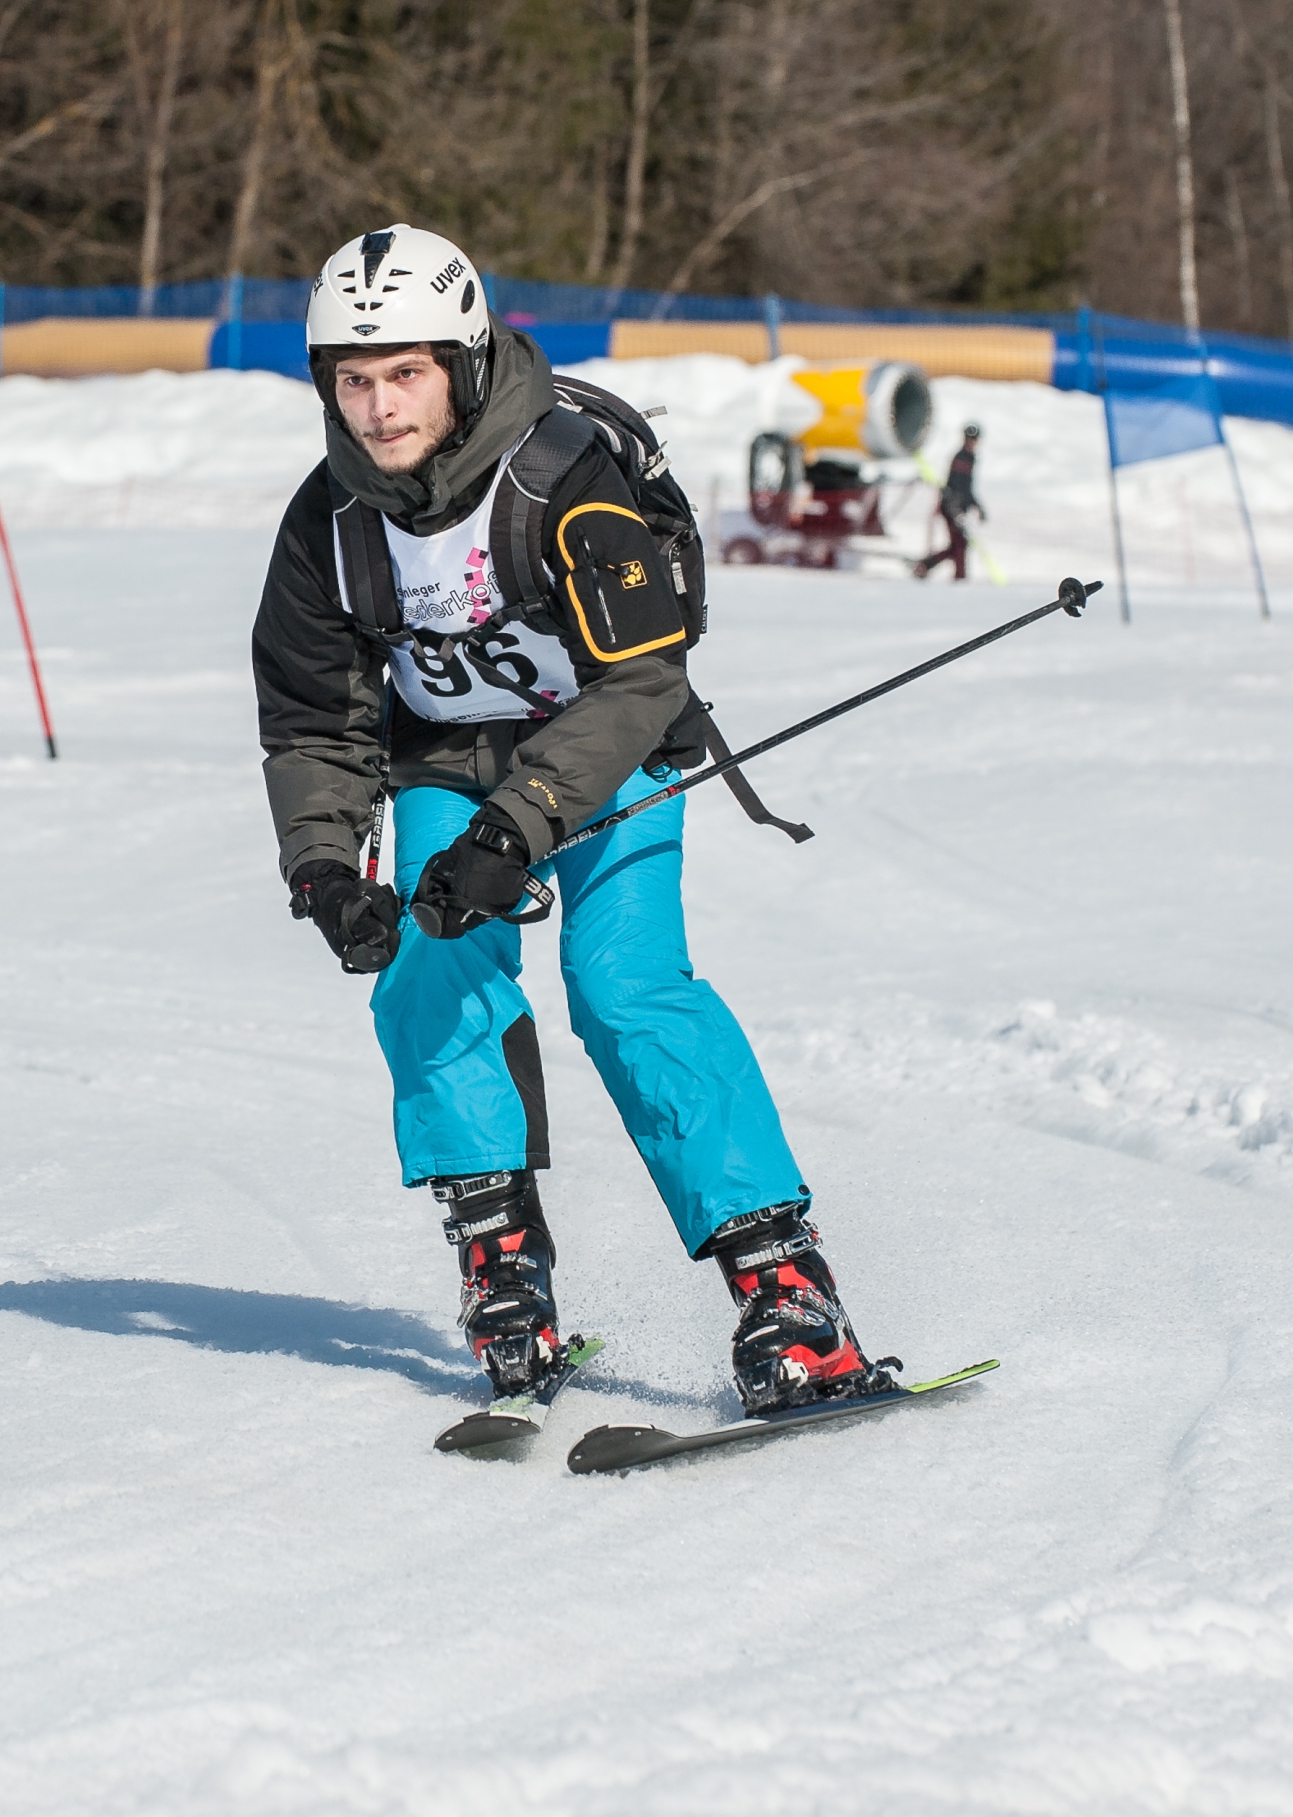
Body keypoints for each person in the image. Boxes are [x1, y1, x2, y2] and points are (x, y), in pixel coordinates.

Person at [251, 225, 891, 1421]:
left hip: (609, 755)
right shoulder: (327, 526)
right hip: (446, 760)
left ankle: (788, 1294)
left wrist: (518, 829)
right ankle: (502, 1266)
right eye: (352, 379)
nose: (380, 408)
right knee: (427, 973)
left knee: (624, 985)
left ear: (464, 356)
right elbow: (312, 722)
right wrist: (326, 869)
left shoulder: (562, 475)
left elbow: (644, 679)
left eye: (405, 374)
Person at [915, 422, 985, 581]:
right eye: (970, 438)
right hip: (952, 507)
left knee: (958, 544)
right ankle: (959, 578)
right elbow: (955, 487)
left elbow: (967, 488)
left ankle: (926, 565)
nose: (973, 442)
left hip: (957, 507)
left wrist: (977, 507)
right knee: (960, 544)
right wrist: (956, 508)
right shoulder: (961, 459)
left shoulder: (969, 458)